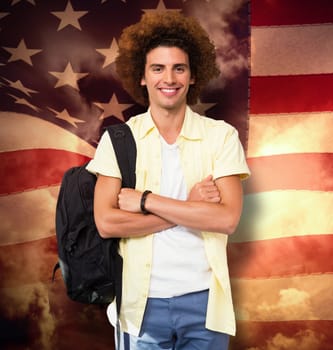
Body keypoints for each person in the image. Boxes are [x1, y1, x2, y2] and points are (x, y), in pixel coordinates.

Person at [86, 10, 250, 350]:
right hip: (139, 305)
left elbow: (227, 218)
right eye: (157, 68)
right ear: (142, 76)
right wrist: (189, 209)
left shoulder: (220, 137)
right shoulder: (119, 140)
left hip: (205, 304)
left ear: (192, 76)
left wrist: (146, 201)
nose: (169, 78)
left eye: (179, 67)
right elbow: (106, 222)